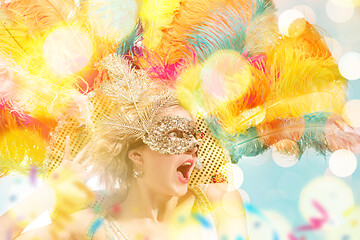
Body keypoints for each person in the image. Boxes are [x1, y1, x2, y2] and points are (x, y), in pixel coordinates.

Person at [0, 54, 248, 240]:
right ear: (137, 156)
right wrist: (51, 192)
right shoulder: (91, 227)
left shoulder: (219, 200)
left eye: (194, 137)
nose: (192, 146)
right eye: (175, 134)